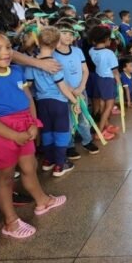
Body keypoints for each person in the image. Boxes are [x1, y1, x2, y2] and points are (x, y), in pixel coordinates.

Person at [0, 29, 67, 238]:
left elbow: (28, 98)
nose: (5, 53)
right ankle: (10, 222)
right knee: (5, 178)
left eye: (7, 47)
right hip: (0, 134)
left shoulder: (16, 71)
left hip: (24, 127)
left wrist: (33, 123)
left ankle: (42, 201)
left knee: (30, 167)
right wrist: (14, 136)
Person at [25, 27, 80, 177]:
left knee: (47, 131)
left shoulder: (32, 63)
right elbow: (62, 86)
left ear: (38, 42)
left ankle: (48, 160)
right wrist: (74, 101)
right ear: (56, 44)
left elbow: (28, 85)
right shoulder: (54, 63)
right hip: (58, 103)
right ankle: (60, 165)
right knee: (61, 132)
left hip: (42, 103)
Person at [54, 22, 97, 156]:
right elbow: (57, 77)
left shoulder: (77, 51)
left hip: (80, 90)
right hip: (64, 92)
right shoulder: (53, 55)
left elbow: (85, 70)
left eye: (71, 34)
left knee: (84, 117)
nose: (68, 36)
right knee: (68, 121)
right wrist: (72, 90)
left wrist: (81, 87)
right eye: (64, 33)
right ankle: (69, 145)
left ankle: (87, 141)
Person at [87, 25, 121, 141]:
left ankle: (106, 125)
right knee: (109, 106)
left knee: (102, 104)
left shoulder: (91, 50)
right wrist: (119, 83)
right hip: (108, 79)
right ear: (106, 39)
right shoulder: (109, 53)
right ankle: (100, 132)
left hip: (99, 78)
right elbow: (115, 71)